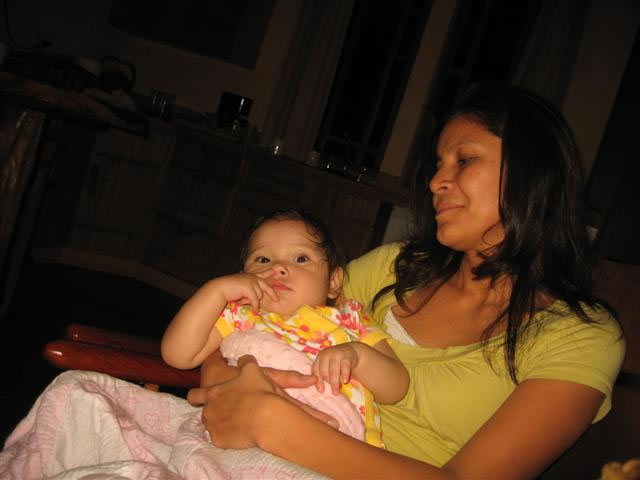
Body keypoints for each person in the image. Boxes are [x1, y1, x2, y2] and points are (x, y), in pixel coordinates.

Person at [186, 83, 626, 479]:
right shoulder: (394, 268)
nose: (436, 182)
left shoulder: (579, 338)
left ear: (534, 175)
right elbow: (253, 323)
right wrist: (229, 380)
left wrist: (270, 421)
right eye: (438, 165)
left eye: (464, 160)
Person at [161, 209, 409, 447]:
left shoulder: (350, 319)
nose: (276, 267)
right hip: (241, 433)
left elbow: (396, 388)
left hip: (333, 450)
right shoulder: (238, 315)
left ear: (333, 282)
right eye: (263, 259)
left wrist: (357, 355)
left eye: (301, 258)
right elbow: (178, 355)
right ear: (243, 274)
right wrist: (216, 291)